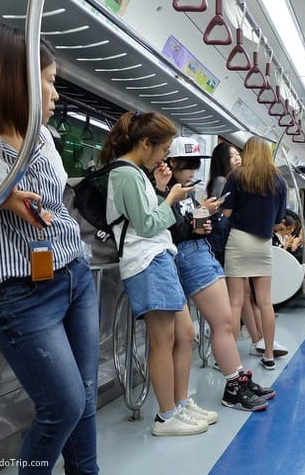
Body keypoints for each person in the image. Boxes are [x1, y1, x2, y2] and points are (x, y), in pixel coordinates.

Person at [0, 24, 100, 473]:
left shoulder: (41, 135)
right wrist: (4, 197)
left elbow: (54, 198)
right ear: (18, 82)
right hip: (16, 292)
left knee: (83, 401)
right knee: (62, 406)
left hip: (72, 274)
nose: (55, 94)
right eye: (49, 81)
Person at [100, 111, 211, 436]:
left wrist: (162, 190)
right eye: (163, 150)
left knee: (185, 334)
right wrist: (173, 199)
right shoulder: (125, 174)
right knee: (163, 341)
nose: (166, 157)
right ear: (146, 143)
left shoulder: (137, 174)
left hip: (160, 258)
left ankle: (179, 402)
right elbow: (147, 225)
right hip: (146, 261)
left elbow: (145, 217)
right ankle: (166, 415)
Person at [165, 137, 271, 412]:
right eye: (187, 164)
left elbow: (186, 225)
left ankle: (236, 379)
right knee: (223, 322)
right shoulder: (168, 192)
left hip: (203, 252)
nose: (192, 170)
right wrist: (195, 225)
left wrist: (205, 215)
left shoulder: (186, 191)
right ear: (172, 162)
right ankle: (234, 385)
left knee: (223, 321)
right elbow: (169, 230)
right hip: (190, 256)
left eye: (195, 164)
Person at [221, 136, 287, 370]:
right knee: (265, 301)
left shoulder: (237, 176)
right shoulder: (279, 181)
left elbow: (226, 213)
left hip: (239, 240)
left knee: (236, 302)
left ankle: (229, 359)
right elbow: (279, 220)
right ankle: (268, 354)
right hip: (263, 244)